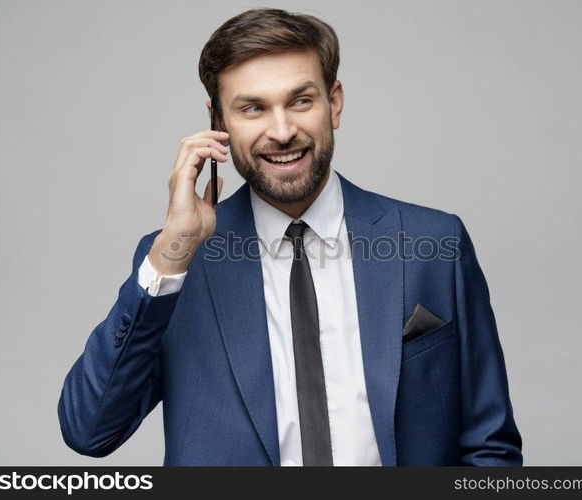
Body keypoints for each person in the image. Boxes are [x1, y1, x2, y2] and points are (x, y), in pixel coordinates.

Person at [58, 7, 523, 466]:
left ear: (334, 102)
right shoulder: (176, 263)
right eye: (253, 108)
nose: (282, 132)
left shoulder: (435, 244)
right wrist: (170, 253)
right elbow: (90, 431)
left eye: (301, 101)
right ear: (218, 120)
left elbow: (489, 447)